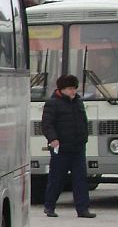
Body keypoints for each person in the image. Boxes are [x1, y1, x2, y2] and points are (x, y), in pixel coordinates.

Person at [41, 74, 96, 218]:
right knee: (57, 179)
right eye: (70, 89)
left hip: (78, 148)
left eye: (75, 89)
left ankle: (83, 209)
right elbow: (47, 124)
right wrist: (53, 139)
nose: (73, 92)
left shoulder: (78, 102)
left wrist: (84, 138)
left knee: (80, 179)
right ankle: (49, 206)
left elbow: (84, 122)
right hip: (61, 148)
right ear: (62, 89)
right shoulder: (53, 103)